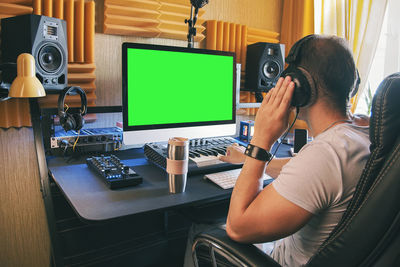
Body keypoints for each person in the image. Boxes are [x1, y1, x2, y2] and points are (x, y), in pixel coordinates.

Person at [222, 34, 370, 267]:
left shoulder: (325, 155)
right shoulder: (362, 135)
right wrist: (246, 158)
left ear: (298, 84)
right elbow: (310, 174)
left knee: (203, 230)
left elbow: (237, 227)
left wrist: (261, 140)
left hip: (280, 261)